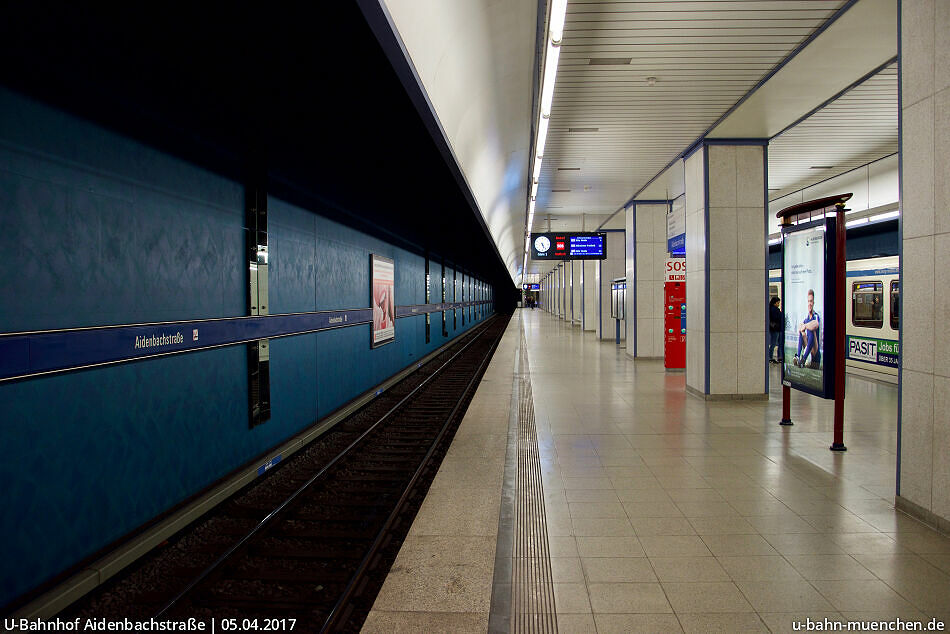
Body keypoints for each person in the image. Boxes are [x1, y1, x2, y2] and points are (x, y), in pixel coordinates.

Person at [794, 289, 820, 368]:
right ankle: (798, 356)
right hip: (808, 350)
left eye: (811, 301)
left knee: (811, 330)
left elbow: (815, 324)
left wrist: (805, 326)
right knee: (802, 331)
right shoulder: (806, 318)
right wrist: (802, 327)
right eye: (808, 301)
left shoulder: (816, 316)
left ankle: (803, 359)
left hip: (815, 354)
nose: (809, 303)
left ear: (813, 303)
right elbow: (801, 327)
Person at [768, 297, 783, 364]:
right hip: (775, 329)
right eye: (777, 303)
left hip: (776, 329)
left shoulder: (773, 309)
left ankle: (775, 357)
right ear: (774, 303)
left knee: (775, 343)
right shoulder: (774, 310)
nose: (778, 304)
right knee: (773, 343)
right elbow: (776, 318)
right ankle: (770, 357)